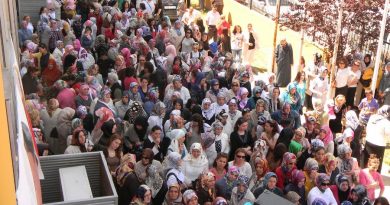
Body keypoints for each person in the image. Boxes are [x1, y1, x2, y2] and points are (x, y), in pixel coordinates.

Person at [364, 105, 390, 173]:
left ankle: (364, 176)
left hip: (369, 141)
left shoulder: (372, 117)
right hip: (379, 144)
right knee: (377, 162)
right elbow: (388, 134)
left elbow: (367, 128)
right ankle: (375, 177)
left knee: (367, 159)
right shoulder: (386, 122)